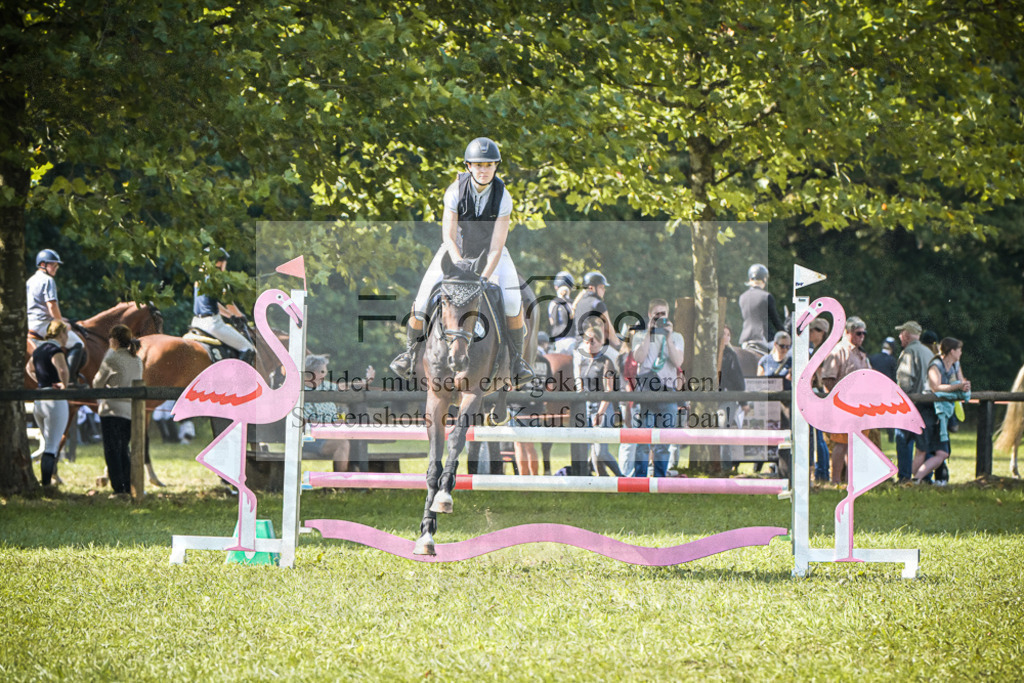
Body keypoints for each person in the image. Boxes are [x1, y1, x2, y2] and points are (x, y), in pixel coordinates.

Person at [390, 137, 533, 388]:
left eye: (489, 165)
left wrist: (482, 278)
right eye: (478, 165)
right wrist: (460, 268)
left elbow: (497, 247)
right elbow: (448, 236)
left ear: (496, 167)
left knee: (512, 302)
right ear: (468, 166)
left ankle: (517, 363)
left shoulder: (503, 196)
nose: (484, 170)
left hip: (490, 255)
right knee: (423, 299)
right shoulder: (455, 190)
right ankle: (409, 354)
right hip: (455, 253)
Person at [631, 299, 685, 477]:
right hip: (646, 391)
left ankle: (660, 478)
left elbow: (678, 362)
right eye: (657, 314)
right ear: (649, 315)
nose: (661, 317)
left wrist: (668, 339)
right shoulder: (639, 336)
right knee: (643, 440)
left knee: (664, 441)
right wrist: (649, 333)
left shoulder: (676, 337)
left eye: (664, 314)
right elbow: (639, 358)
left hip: (667, 392)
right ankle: (640, 478)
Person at [92, 324, 144, 495]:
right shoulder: (137, 360)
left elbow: (97, 384)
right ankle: (128, 486)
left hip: (112, 410)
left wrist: (109, 352)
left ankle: (118, 487)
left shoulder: (111, 358)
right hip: (130, 411)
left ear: (114, 340)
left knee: (112, 451)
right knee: (124, 449)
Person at [912, 338, 971, 485]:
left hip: (942, 413)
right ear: (952, 351)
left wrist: (964, 386)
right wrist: (957, 387)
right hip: (927, 409)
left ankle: (916, 478)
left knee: (943, 453)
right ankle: (907, 479)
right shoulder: (935, 365)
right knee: (922, 450)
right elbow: (935, 387)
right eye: (959, 350)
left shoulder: (956, 364)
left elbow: (960, 381)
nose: (961, 353)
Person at [820, 316, 871, 484]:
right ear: (847, 332)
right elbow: (828, 379)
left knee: (856, 444)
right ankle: (835, 481)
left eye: (864, 333)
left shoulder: (861, 353)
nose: (862, 336)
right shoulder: (838, 351)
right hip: (843, 406)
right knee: (841, 444)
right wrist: (839, 401)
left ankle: (852, 481)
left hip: (861, 406)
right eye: (858, 333)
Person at [302, 354, 374, 473]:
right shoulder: (301, 389)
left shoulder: (325, 386)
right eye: (324, 369)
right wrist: (331, 423)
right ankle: (340, 484)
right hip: (311, 439)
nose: (326, 372)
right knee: (343, 443)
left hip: (330, 434)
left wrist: (366, 381)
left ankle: (352, 477)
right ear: (317, 371)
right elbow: (304, 423)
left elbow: (346, 386)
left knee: (353, 438)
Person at [27, 249, 87, 385]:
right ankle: (70, 381)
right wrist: (61, 323)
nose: (56, 268)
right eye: (53, 265)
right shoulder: (48, 280)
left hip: (31, 323)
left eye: (57, 265)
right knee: (79, 343)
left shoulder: (30, 280)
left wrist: (63, 318)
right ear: (43, 264)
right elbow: (52, 305)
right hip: (44, 325)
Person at [25, 320, 71, 486]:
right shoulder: (55, 350)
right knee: (51, 447)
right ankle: (46, 484)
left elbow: (29, 368)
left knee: (48, 442)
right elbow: (63, 370)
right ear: (60, 333)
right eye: (65, 334)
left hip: (40, 400)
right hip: (54, 401)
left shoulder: (39, 350)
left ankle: (47, 480)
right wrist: (64, 385)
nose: (67, 338)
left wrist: (40, 381)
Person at [191, 248, 255, 363]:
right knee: (248, 348)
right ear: (219, 262)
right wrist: (240, 316)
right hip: (213, 324)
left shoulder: (199, 278)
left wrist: (230, 316)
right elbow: (229, 303)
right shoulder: (218, 279)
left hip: (196, 322)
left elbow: (212, 304)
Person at [574, 323, 622, 476]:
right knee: (593, 452)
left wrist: (600, 413)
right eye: (586, 341)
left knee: (601, 451)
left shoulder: (606, 362)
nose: (589, 345)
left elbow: (608, 390)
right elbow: (580, 386)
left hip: (603, 407)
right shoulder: (583, 361)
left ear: (601, 342)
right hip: (586, 408)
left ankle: (622, 478)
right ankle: (605, 482)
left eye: (592, 341)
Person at [894, 321, 936, 483]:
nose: (899, 336)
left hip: (911, 405)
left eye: (901, 333)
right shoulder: (928, 352)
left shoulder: (909, 352)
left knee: (903, 441)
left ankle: (904, 476)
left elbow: (905, 382)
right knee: (924, 443)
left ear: (906, 335)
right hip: (928, 405)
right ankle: (925, 477)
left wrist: (899, 401)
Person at [738, 263, 785, 354]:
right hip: (763, 338)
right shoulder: (766, 296)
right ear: (764, 279)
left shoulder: (742, 297)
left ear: (750, 278)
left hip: (745, 339)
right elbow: (775, 321)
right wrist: (785, 334)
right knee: (784, 357)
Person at [572, 271, 621, 356]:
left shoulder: (579, 303)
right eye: (601, 287)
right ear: (591, 288)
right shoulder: (598, 304)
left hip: (578, 348)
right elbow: (608, 328)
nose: (604, 290)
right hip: (592, 346)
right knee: (618, 359)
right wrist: (618, 345)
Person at [807, 317, 831, 483]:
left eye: (813, 330)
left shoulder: (822, 351)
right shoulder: (816, 350)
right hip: (818, 393)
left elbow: (821, 377)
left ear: (822, 333)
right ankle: (821, 471)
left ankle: (822, 472)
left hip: (819, 394)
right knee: (819, 436)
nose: (809, 333)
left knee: (819, 437)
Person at [548, 271, 576, 353]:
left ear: (556, 287)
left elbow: (552, 322)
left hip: (557, 340)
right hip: (571, 338)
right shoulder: (573, 303)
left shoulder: (552, 304)